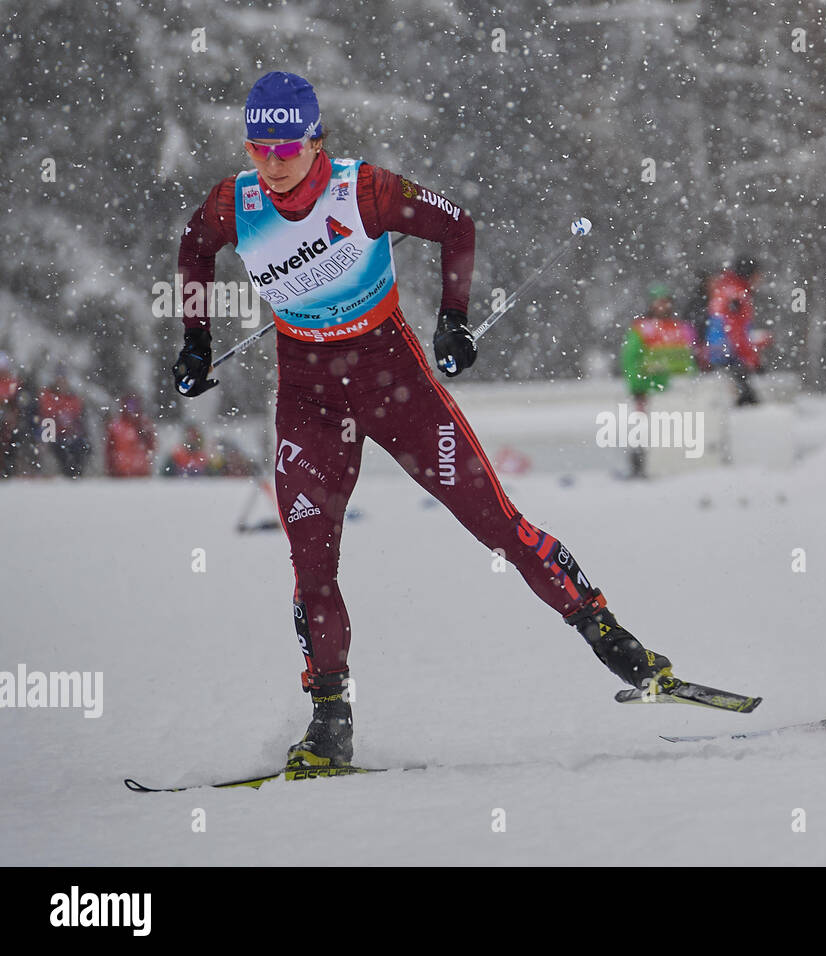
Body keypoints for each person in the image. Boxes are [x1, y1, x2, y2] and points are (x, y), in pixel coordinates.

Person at [172, 71, 678, 768]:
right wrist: (194, 338)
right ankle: (330, 718)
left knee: (495, 522)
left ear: (317, 140)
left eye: (289, 144)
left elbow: (455, 225)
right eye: (261, 145)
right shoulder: (237, 200)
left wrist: (453, 322)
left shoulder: (365, 191)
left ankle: (612, 638)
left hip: (393, 380)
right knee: (312, 562)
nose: (276, 160)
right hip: (309, 397)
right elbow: (194, 249)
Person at [619, 283, 696, 478]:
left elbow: (688, 359)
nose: (662, 306)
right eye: (658, 302)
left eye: (665, 302)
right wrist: (637, 384)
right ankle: (639, 466)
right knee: (641, 430)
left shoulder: (680, 328)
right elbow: (630, 358)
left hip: (669, 390)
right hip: (646, 389)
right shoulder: (642, 329)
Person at [704, 257, 763, 406]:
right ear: (749, 274)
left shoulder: (726, 289)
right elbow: (737, 332)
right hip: (728, 353)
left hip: (718, 351)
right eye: (758, 275)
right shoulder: (737, 295)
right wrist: (751, 360)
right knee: (748, 402)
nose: (760, 279)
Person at [37, 368, 91, 477]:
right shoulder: (47, 396)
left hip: (69, 434)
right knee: (50, 431)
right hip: (53, 433)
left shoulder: (73, 398)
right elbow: (46, 415)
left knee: (80, 444)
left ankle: (76, 472)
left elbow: (79, 418)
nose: (61, 383)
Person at [105, 394, 156, 477]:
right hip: (120, 475)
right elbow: (109, 450)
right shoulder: (116, 426)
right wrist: (111, 470)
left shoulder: (144, 425)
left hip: (141, 475)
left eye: (133, 406)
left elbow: (152, 446)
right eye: (129, 406)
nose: (131, 410)